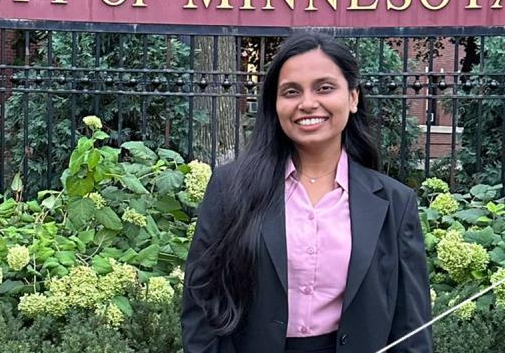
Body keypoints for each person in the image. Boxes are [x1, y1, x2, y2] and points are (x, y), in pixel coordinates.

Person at [181, 31, 432, 353]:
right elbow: (201, 304)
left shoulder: (394, 202)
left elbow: (411, 327)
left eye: (324, 88)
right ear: (275, 103)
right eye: (291, 91)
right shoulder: (230, 189)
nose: (308, 103)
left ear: (353, 97)